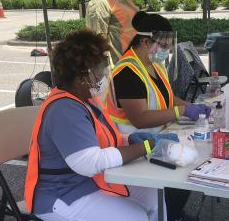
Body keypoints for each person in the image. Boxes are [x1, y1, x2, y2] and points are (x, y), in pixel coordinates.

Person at [24, 29, 170, 221]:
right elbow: (90, 163)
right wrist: (144, 148)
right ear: (80, 77)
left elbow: (100, 138)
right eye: (99, 70)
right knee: (135, 217)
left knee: (154, 196)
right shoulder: (64, 109)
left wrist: (128, 139)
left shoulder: (85, 99)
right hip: (61, 194)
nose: (103, 75)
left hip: (88, 182)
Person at [105, 11, 211, 221]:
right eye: (163, 46)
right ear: (145, 42)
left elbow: (168, 98)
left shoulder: (155, 64)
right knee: (180, 173)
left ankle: (173, 213)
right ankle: (169, 214)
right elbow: (140, 119)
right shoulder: (127, 72)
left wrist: (193, 106)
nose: (167, 50)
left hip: (160, 136)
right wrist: (181, 111)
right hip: (136, 143)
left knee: (190, 165)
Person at [85, 0, 138, 65]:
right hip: (115, 67)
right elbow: (97, 43)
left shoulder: (124, 0)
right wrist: (106, 72)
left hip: (131, 63)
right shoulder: (99, 3)